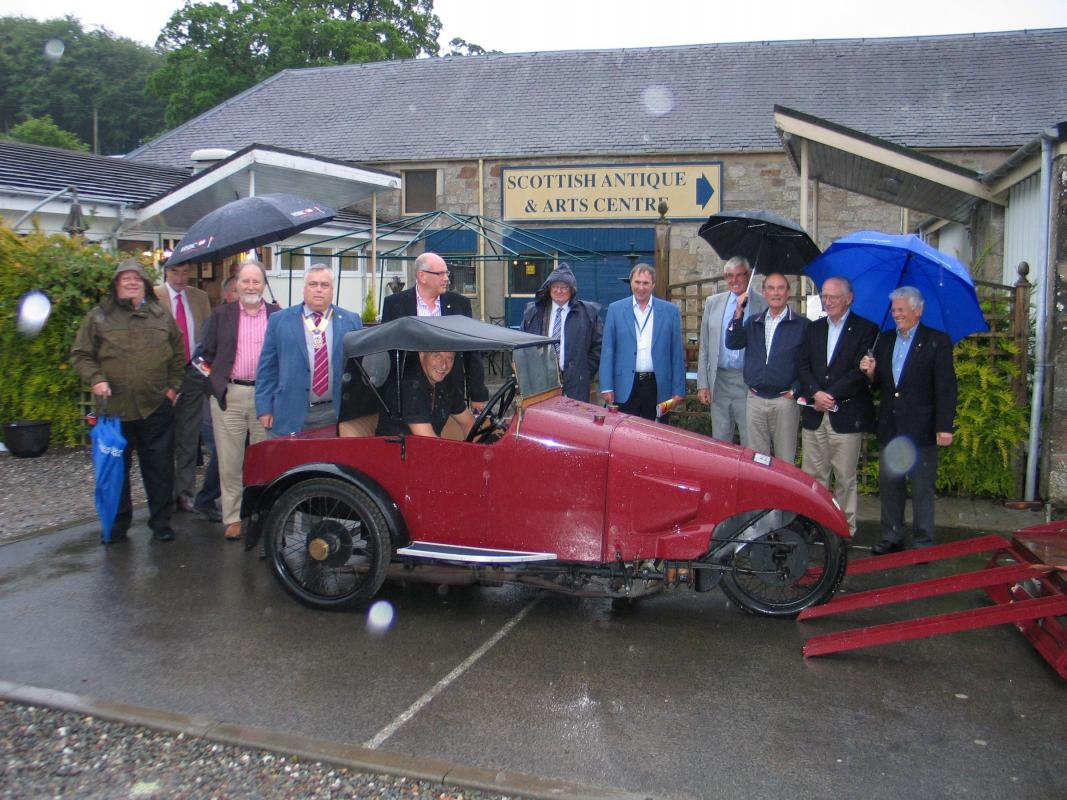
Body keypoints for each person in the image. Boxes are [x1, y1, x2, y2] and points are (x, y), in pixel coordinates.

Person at [71, 259, 185, 543]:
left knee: (159, 470)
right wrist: (96, 378)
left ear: (145, 284)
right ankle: (118, 526)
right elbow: (81, 354)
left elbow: (179, 355)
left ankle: (161, 523)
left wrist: (173, 388)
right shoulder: (99, 317)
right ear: (116, 284)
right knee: (115, 474)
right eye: (126, 278)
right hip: (114, 411)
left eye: (137, 278)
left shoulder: (161, 316)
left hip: (155, 407)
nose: (132, 282)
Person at [860, 286, 958, 554]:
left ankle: (923, 542)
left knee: (922, 489)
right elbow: (879, 385)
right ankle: (892, 536)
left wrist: (944, 427)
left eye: (901, 309)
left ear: (918, 310)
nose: (896, 314)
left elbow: (946, 387)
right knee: (890, 486)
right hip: (890, 428)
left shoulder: (937, 341)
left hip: (922, 429)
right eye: (894, 309)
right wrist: (870, 373)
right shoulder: (886, 340)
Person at [201, 260, 280, 540]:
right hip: (230, 396)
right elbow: (202, 356)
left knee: (263, 462)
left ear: (263, 285)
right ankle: (233, 517)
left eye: (256, 281)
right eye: (245, 281)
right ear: (236, 284)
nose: (250, 286)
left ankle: (261, 516)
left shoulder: (277, 315)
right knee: (230, 461)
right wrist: (214, 382)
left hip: (265, 397)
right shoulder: (221, 315)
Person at [796, 276, 879, 534]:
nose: (827, 301)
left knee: (845, 478)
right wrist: (816, 394)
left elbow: (859, 372)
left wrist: (829, 395)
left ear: (848, 299)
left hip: (846, 415)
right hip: (815, 414)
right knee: (813, 478)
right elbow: (802, 365)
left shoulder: (867, 329)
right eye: (824, 296)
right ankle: (814, 526)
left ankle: (843, 529)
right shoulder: (814, 328)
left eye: (832, 296)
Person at [255, 265, 362, 437]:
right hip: (290, 411)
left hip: (336, 413)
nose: (319, 290)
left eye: (324, 285)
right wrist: (264, 408)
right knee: (290, 463)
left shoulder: (351, 320)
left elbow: (360, 368)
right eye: (313, 284)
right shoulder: (279, 320)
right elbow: (267, 368)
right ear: (304, 288)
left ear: (332, 289)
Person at [381, 252, 488, 411]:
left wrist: (478, 394)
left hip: (450, 395)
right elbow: (386, 352)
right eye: (440, 273)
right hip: (408, 396)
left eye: (447, 273)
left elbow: (471, 352)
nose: (446, 278)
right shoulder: (395, 304)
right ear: (422, 276)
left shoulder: (460, 305)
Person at [725, 272, 809, 462]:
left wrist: (795, 390)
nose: (776, 293)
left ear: (789, 292)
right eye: (771, 288)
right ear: (764, 292)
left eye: (780, 288)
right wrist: (738, 312)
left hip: (784, 401)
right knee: (757, 461)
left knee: (785, 461)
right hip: (755, 399)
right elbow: (732, 342)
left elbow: (808, 364)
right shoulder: (754, 322)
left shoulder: (802, 325)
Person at [154, 261, 211, 513]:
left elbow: (208, 336)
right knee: (163, 438)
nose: (180, 277)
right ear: (166, 272)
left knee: (189, 437)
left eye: (185, 272)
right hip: (164, 375)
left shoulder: (199, 297)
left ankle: (185, 493)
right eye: (175, 272)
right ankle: (163, 494)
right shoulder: (153, 296)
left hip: (193, 372)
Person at [599, 263, 685, 421]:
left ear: (653, 285)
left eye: (645, 283)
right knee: (625, 436)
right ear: (631, 282)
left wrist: (679, 389)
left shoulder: (670, 311)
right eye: (637, 282)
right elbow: (607, 350)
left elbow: (677, 353)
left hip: (658, 386)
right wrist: (606, 386)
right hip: (624, 385)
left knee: (657, 437)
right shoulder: (615, 309)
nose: (641, 287)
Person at [696, 257, 768, 446]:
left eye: (739, 275)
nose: (734, 280)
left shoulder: (762, 305)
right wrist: (703, 383)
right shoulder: (713, 302)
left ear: (749, 274)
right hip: (719, 380)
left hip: (747, 381)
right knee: (719, 441)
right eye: (729, 276)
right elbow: (704, 346)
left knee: (750, 440)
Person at [520, 263, 602, 402]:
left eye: (564, 287)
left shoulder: (587, 313)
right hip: (541, 382)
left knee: (573, 420)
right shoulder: (533, 312)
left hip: (576, 382)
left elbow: (598, 346)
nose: (559, 291)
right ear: (548, 288)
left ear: (572, 290)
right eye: (555, 287)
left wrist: (584, 370)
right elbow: (522, 344)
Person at [375, 351, 476, 438]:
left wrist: (479, 452)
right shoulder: (410, 386)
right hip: (394, 455)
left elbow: (468, 422)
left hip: (422, 453)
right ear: (422, 354)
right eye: (437, 356)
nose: (444, 365)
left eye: (450, 359)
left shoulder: (446, 385)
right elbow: (428, 442)